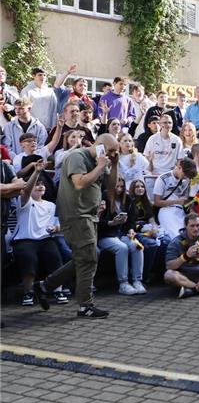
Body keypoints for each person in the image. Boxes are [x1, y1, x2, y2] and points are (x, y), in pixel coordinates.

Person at [33, 133, 121, 318]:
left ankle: (44, 286)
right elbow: (79, 183)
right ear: (99, 145)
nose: (112, 154)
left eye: (115, 151)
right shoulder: (77, 157)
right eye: (110, 150)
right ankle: (85, 305)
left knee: (84, 258)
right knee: (88, 259)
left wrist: (115, 164)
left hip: (89, 215)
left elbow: (110, 185)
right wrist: (100, 166)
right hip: (75, 215)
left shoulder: (102, 161)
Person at [10, 161, 68, 306]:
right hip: (25, 239)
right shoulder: (24, 201)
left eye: (42, 184)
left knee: (55, 257)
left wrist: (56, 229)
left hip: (45, 239)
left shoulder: (51, 205)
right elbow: (27, 190)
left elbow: (58, 225)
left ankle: (57, 290)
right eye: (37, 184)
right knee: (27, 258)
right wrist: (36, 172)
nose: (40, 186)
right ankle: (28, 292)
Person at [98, 178, 146, 296]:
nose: (119, 189)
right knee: (122, 248)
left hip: (122, 233)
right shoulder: (103, 198)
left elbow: (132, 220)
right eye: (116, 186)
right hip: (105, 235)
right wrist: (111, 223)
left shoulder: (127, 199)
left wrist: (131, 230)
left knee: (136, 246)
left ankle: (137, 280)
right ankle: (123, 282)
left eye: (121, 187)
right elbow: (97, 222)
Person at [153, 157, 198, 240]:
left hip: (181, 211)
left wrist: (191, 209)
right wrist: (176, 202)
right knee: (176, 234)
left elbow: (188, 201)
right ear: (179, 167)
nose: (185, 177)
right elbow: (157, 202)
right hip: (166, 210)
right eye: (185, 174)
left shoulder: (187, 180)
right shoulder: (163, 179)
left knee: (190, 234)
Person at [128, 179, 160, 281]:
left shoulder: (147, 203)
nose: (140, 189)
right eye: (137, 187)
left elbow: (151, 219)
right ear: (132, 189)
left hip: (147, 230)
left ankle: (156, 272)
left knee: (163, 243)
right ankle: (144, 275)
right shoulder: (128, 202)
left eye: (142, 187)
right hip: (134, 231)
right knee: (151, 244)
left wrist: (155, 229)